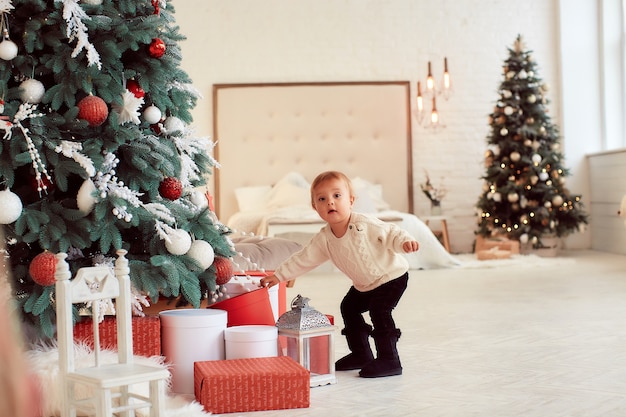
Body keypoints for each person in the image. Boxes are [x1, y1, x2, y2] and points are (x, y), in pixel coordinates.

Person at [260, 171, 419, 378]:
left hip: (391, 277)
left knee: (379, 310)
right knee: (349, 307)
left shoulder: (364, 224)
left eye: (337, 196)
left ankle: (390, 359)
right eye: (322, 199)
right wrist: (279, 275)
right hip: (365, 285)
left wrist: (404, 242)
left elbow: (391, 232)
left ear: (351, 200)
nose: (330, 203)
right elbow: (304, 258)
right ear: (315, 208)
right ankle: (361, 353)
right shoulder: (324, 238)